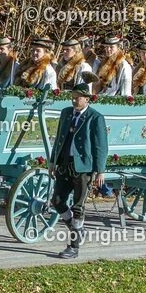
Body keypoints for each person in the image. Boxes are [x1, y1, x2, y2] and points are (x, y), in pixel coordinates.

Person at [50, 83, 107, 260]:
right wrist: (52, 161)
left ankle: (74, 247)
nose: (74, 101)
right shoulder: (66, 113)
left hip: (84, 168)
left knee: (78, 207)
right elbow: (59, 139)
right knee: (57, 200)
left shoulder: (95, 118)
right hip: (65, 163)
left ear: (87, 99)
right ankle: (78, 229)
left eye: (78, 98)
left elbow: (100, 146)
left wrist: (100, 170)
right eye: (73, 97)